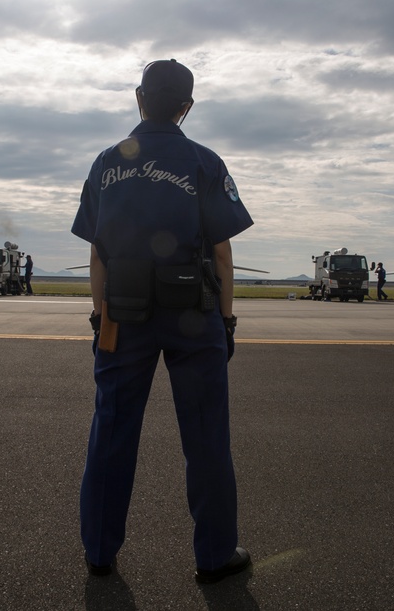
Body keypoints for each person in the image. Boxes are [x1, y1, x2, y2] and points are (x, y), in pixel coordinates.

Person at [71, 59, 254, 584]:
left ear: (138, 97)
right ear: (186, 107)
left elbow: (98, 252)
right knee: (206, 436)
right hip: (194, 317)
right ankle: (215, 555)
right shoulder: (203, 161)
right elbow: (221, 254)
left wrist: (98, 313)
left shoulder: (107, 163)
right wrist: (226, 321)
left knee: (111, 428)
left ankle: (100, 550)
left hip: (121, 314)